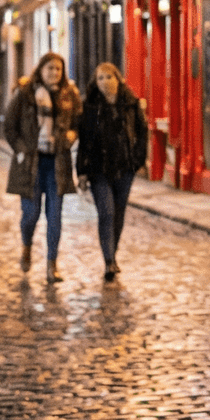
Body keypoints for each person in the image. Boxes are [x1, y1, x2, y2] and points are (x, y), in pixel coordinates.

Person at [4, 52, 80, 283]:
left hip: (57, 163)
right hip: (31, 164)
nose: (54, 73)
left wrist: (70, 137)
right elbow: (10, 125)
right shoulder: (25, 94)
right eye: (50, 69)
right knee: (31, 214)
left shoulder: (69, 94)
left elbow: (77, 123)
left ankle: (51, 265)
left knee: (55, 216)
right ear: (41, 69)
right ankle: (26, 246)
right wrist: (20, 150)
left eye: (58, 69)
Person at [76, 62, 148, 283]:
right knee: (106, 213)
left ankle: (112, 254)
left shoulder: (130, 104)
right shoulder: (90, 107)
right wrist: (81, 171)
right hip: (99, 170)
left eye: (109, 77)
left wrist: (137, 161)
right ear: (95, 83)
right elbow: (84, 142)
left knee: (118, 215)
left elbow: (142, 132)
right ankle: (109, 261)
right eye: (100, 78)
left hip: (125, 168)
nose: (105, 82)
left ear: (118, 79)